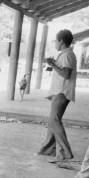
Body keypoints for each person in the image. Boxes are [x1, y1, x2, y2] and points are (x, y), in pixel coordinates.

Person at [36, 29, 77, 162]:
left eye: (56, 40)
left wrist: (53, 64)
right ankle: (49, 149)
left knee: (54, 121)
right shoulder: (64, 54)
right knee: (53, 121)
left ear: (61, 41)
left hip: (62, 92)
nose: (55, 43)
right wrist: (52, 64)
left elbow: (66, 74)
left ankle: (66, 151)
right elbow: (61, 72)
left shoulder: (67, 55)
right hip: (59, 92)